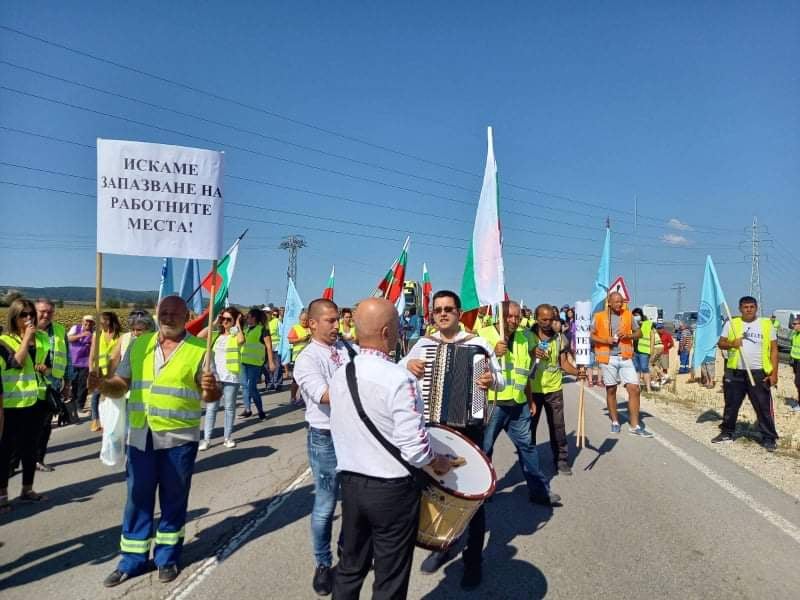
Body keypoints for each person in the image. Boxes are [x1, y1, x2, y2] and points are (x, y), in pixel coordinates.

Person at [92, 296, 220, 586]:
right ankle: (132, 560)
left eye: (175, 313)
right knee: (137, 499)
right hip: (141, 436)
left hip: (178, 439)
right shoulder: (140, 345)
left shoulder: (200, 349)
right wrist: (102, 384)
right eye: (164, 312)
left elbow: (211, 395)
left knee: (173, 500)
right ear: (156, 314)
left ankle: (167, 557)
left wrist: (211, 390)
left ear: (186, 316)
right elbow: (120, 385)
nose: (168, 317)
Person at [329, 298, 452, 600]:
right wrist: (437, 461)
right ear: (386, 331)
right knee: (389, 578)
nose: (399, 332)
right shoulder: (399, 379)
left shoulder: (341, 372)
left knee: (349, 568)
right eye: (397, 326)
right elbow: (415, 449)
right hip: (392, 491)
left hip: (352, 484)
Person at [400, 290, 504, 589]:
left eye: (448, 309)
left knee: (471, 498)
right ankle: (443, 546)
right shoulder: (422, 344)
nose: (442, 314)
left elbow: (501, 379)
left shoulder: (477, 344)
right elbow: (396, 374)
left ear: (459, 312)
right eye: (438, 310)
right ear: (432, 314)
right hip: (433, 429)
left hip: (468, 429)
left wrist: (490, 380)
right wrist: (407, 366)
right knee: (435, 492)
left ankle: (473, 561)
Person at [293, 299, 354, 596]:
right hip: (325, 437)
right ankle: (322, 563)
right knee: (326, 505)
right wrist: (363, 388)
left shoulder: (346, 349)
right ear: (313, 323)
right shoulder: (307, 359)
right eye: (329, 320)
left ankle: (347, 551)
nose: (336, 325)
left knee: (355, 499)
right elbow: (324, 395)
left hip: (353, 435)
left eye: (337, 320)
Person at [478, 300, 561, 506]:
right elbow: (473, 368)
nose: (514, 320)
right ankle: (482, 491)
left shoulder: (525, 337)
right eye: (509, 316)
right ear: (500, 316)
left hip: (519, 403)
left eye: (517, 316)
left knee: (528, 447)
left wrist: (530, 400)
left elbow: (524, 373)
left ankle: (539, 491)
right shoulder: (484, 335)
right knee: (485, 449)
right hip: (493, 403)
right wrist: (491, 355)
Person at [0, 298, 49, 511]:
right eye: (23, 315)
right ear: (14, 317)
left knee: (30, 448)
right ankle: (2, 495)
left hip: (34, 400)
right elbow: (15, 364)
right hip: (11, 404)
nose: (29, 318)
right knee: (6, 452)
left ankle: (27, 489)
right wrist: (26, 338)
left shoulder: (41, 338)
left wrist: (44, 368)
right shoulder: (3, 340)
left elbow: (47, 363)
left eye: (31, 314)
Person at [712, 296, 779, 452]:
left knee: (762, 406)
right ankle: (727, 432)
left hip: (758, 373)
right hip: (735, 372)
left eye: (751, 306)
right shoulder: (731, 324)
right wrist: (731, 344)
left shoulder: (766, 324)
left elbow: (774, 350)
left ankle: (769, 437)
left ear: (756, 308)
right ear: (740, 309)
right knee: (731, 405)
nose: (748, 309)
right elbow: (721, 343)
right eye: (745, 307)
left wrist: (774, 373)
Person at [530, 304, 583, 476]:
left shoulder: (560, 339)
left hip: (554, 389)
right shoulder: (526, 337)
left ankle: (561, 460)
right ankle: (530, 461)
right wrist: (532, 353)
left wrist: (578, 372)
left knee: (557, 426)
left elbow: (564, 364)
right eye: (543, 319)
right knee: (530, 428)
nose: (547, 323)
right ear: (536, 318)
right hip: (532, 390)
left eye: (551, 319)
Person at [591, 292, 653, 437]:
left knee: (634, 388)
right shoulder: (599, 316)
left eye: (621, 302)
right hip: (607, 358)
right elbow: (591, 335)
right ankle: (615, 421)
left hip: (625, 357)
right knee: (611, 390)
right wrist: (605, 340)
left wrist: (629, 335)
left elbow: (639, 333)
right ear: (609, 303)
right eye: (617, 302)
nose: (620, 304)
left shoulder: (628, 315)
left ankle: (635, 425)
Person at [198, 307, 244, 450]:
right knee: (211, 408)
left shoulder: (234, 334)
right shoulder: (216, 334)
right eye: (223, 319)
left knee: (229, 408)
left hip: (231, 377)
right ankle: (206, 439)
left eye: (228, 319)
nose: (225, 322)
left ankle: (227, 437)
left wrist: (237, 324)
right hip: (215, 377)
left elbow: (241, 340)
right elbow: (199, 337)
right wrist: (213, 323)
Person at [33, 298, 70, 471]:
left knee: (45, 426)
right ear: (34, 311)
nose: (46, 315)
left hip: (52, 386)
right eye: (42, 311)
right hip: (27, 388)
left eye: (50, 312)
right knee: (20, 429)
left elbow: (67, 358)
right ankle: (11, 466)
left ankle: (38, 459)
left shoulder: (60, 330)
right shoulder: (25, 330)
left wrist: (67, 383)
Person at [239, 308, 275, 419]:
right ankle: (247, 409)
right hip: (243, 362)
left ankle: (260, 411)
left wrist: (271, 362)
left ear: (254, 318)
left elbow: (269, 346)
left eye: (248, 317)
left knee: (252, 388)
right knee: (244, 386)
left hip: (255, 363)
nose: (246, 319)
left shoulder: (262, 330)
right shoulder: (245, 330)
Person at [89, 311, 122, 432]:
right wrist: (90, 369)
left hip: (114, 370)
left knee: (110, 395)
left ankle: (108, 419)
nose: (101, 322)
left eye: (103, 320)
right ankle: (95, 420)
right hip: (99, 370)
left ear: (110, 321)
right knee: (96, 394)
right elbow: (92, 353)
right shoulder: (97, 335)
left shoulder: (120, 336)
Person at [68, 315, 95, 416]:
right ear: (82, 322)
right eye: (86, 322)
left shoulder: (94, 334)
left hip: (85, 363)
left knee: (83, 385)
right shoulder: (75, 328)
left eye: (90, 323)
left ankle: (80, 406)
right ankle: (72, 405)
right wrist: (82, 335)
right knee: (73, 384)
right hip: (73, 361)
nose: (88, 324)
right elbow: (69, 339)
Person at [288, 311, 311, 404]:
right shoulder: (295, 328)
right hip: (297, 357)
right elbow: (290, 340)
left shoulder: (311, 328)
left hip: (309, 358)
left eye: (306, 320)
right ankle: (293, 397)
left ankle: (303, 397)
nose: (304, 322)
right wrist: (301, 339)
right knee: (296, 379)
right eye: (303, 320)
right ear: (299, 319)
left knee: (307, 379)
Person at [631, 308, 655, 394]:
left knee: (645, 368)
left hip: (644, 350)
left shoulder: (648, 324)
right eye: (634, 316)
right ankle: (638, 387)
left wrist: (651, 349)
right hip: (635, 350)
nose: (635, 317)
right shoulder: (633, 324)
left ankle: (648, 389)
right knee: (636, 369)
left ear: (641, 315)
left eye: (636, 315)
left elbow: (652, 337)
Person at [266, 307, 283, 391]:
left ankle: (277, 384)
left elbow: (282, 334)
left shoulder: (277, 322)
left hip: (277, 348)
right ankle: (270, 383)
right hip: (267, 348)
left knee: (278, 366)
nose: (266, 314)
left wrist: (281, 347)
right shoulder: (264, 323)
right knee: (267, 367)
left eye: (268, 313)